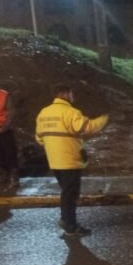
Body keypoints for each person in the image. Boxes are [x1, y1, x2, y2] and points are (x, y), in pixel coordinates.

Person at [36, 84, 108, 236]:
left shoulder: (44, 113)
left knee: (66, 191)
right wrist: (103, 119)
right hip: (69, 159)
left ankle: (67, 221)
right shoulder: (70, 112)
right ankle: (69, 224)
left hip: (54, 160)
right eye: (72, 94)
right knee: (70, 194)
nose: (73, 97)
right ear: (66, 94)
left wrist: (52, 144)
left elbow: (39, 138)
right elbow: (86, 128)